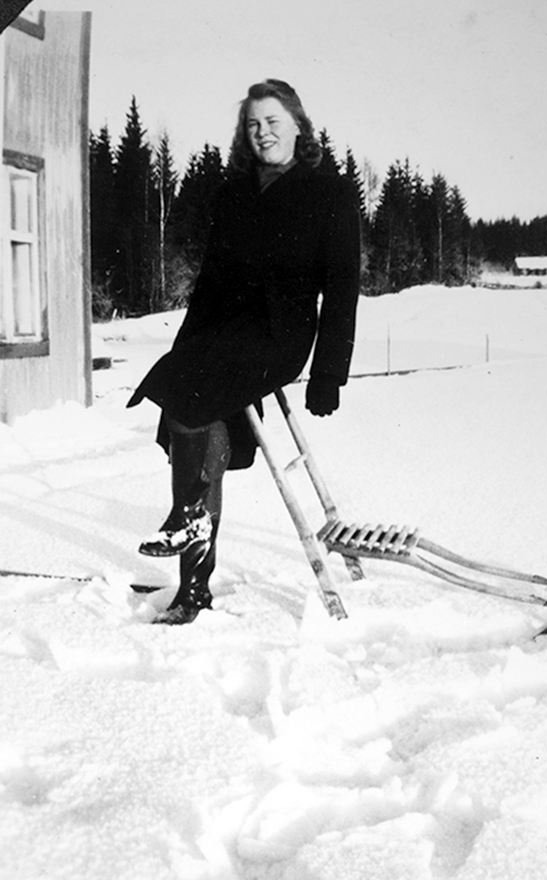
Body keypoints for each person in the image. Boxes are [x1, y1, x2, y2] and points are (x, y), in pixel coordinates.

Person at [127, 79, 361, 625]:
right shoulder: (234, 194)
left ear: (298, 125)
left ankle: (189, 520)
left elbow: (344, 288)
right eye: (253, 125)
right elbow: (211, 280)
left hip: (280, 333)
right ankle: (192, 583)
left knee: (196, 393)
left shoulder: (329, 192)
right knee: (182, 390)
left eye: (273, 122)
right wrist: (184, 347)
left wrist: (330, 374)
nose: (263, 134)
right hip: (223, 330)